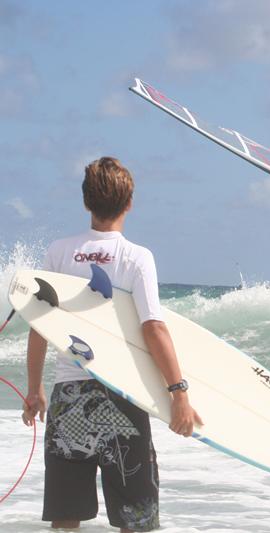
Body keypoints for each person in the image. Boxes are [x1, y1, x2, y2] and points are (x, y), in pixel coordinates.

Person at [21, 157, 202, 532]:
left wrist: (35, 388)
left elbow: (40, 327)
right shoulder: (136, 257)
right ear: (130, 203)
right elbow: (153, 327)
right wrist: (178, 392)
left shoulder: (59, 252)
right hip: (122, 397)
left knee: (66, 517)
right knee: (135, 521)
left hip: (68, 396)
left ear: (86, 202)